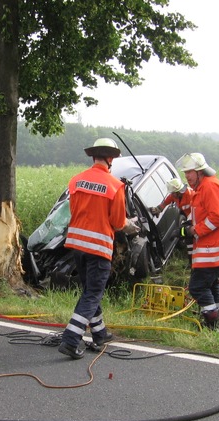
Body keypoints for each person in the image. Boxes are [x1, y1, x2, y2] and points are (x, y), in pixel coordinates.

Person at [58, 138, 139, 359]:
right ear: (110, 159)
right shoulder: (115, 186)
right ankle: (70, 339)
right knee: (93, 294)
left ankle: (100, 333)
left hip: (77, 246)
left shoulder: (76, 181)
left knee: (89, 291)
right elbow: (117, 222)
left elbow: (73, 210)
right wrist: (129, 226)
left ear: (94, 157)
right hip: (98, 248)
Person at [175, 152, 219, 330]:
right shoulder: (204, 187)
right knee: (212, 286)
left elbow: (217, 217)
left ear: (200, 171)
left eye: (190, 172)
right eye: (185, 172)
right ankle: (213, 324)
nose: (186, 176)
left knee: (197, 288)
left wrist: (193, 230)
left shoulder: (209, 187)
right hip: (212, 249)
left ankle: (213, 325)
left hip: (213, 249)